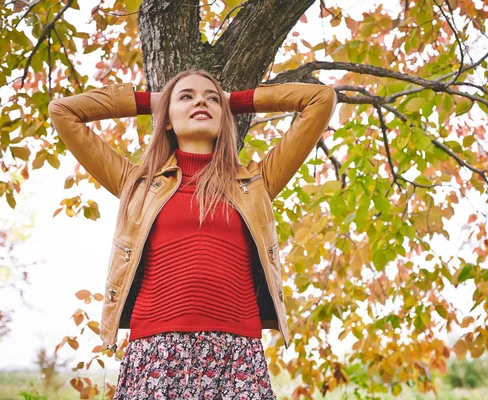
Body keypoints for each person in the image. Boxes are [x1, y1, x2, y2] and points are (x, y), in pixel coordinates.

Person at [48, 69, 338, 399]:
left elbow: (320, 98)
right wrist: (157, 101)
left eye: (211, 97)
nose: (201, 100)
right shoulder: (138, 184)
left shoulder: (256, 184)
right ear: (167, 120)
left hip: (236, 352)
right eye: (187, 96)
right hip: (157, 350)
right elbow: (63, 111)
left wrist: (234, 101)